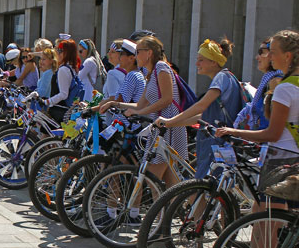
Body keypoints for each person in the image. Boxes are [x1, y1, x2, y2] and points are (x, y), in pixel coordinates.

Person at [216, 29, 299, 248]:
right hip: (294, 160)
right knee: (280, 224)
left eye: (272, 51)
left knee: (267, 225)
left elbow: (272, 133)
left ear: (287, 55)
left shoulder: (286, 88)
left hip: (279, 159)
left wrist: (235, 132)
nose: (268, 55)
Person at [154, 38, 244, 179]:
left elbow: (200, 106)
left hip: (216, 143)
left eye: (201, 60)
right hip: (221, 143)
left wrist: (170, 120)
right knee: (212, 187)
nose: (197, 63)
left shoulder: (221, 78)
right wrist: (170, 123)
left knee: (201, 188)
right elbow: (201, 118)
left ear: (213, 62)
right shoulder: (229, 78)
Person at [115, 35, 188, 189]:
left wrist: (141, 112)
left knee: (151, 178)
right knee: (169, 182)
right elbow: (140, 104)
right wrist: (116, 104)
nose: (135, 56)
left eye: (138, 52)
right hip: (159, 126)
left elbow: (167, 99)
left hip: (168, 125)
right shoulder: (150, 74)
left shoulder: (162, 67)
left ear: (149, 53)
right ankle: (172, 211)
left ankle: (163, 212)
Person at [235, 38, 282, 130]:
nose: (257, 57)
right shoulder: (269, 80)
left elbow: (275, 126)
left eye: (262, 52)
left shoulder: (276, 81)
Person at [42, 39, 81, 122]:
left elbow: (64, 94)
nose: (57, 53)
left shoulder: (64, 69)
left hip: (59, 110)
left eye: (60, 50)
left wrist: (48, 102)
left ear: (68, 53)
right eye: (57, 50)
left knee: (46, 134)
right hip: (63, 110)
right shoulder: (71, 67)